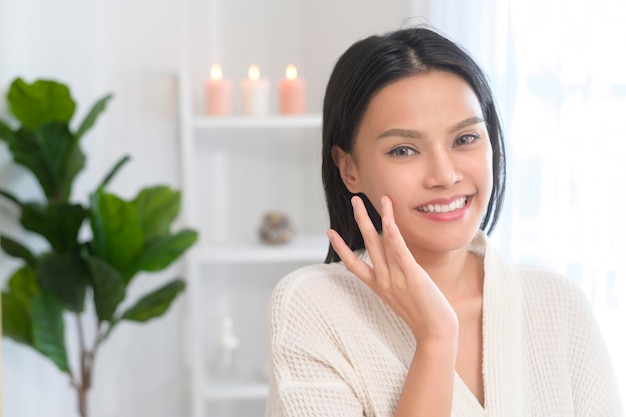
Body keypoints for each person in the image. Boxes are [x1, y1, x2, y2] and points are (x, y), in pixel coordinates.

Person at [265, 26, 623, 417]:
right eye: (404, 149)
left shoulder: (558, 304)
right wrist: (435, 339)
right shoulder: (313, 305)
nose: (445, 175)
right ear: (349, 169)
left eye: (465, 139)